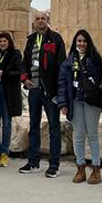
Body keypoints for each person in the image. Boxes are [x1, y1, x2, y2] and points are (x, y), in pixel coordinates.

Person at [57, 30, 102, 184]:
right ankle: (80, 167)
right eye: (79, 41)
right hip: (75, 101)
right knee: (78, 135)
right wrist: (63, 103)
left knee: (92, 134)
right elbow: (62, 83)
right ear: (75, 43)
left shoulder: (96, 60)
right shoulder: (68, 62)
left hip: (91, 101)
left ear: (89, 42)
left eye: (84, 41)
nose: (81, 44)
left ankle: (96, 168)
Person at [20, 11, 67, 178]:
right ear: (34, 22)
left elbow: (62, 64)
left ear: (48, 21)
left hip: (50, 90)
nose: (40, 21)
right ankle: (33, 161)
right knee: (34, 125)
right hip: (34, 89)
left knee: (54, 126)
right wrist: (24, 79)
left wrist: (60, 91)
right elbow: (25, 61)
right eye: (38, 19)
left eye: (43, 19)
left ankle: (54, 164)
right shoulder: (30, 40)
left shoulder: (56, 38)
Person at [0, 32, 23, 167]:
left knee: (7, 123)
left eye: (5, 41)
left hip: (8, 92)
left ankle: (4, 153)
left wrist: (5, 73)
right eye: (0, 41)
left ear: (9, 42)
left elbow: (19, 72)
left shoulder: (15, 54)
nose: (2, 43)